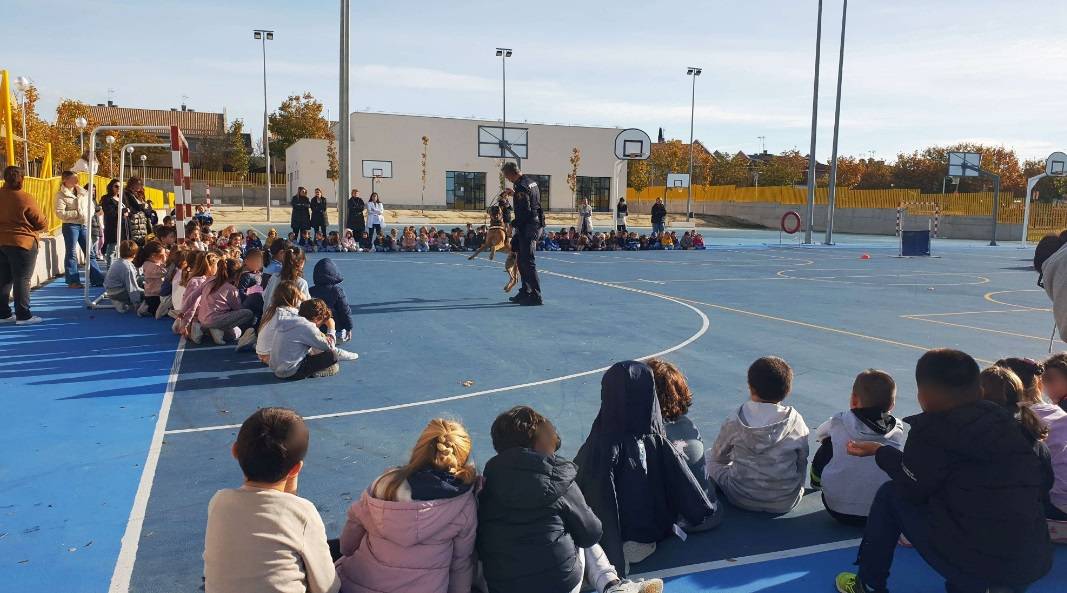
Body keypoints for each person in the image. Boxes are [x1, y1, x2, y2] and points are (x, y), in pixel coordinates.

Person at [835, 349, 1052, 593]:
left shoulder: (932, 431)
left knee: (890, 494)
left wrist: (880, 452)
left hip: (977, 559)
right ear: (978, 389)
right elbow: (1044, 485)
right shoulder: (1023, 427)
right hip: (1028, 559)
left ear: (923, 396)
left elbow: (913, 487)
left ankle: (869, 584)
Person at [477, 405, 664, 593]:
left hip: (504, 586)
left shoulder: (484, 486)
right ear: (537, 442)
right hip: (560, 583)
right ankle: (613, 586)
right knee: (578, 527)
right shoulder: (558, 478)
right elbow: (591, 532)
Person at [575, 361, 717, 571]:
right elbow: (682, 481)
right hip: (653, 533)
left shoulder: (603, 444)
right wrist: (699, 511)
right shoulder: (656, 439)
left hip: (624, 540)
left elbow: (596, 496)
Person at [203, 407, 340, 593]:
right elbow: (326, 588)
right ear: (296, 469)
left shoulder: (219, 501)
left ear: (234, 451)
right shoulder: (303, 513)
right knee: (336, 553)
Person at [335, 419, 479, 593]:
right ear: (461, 457)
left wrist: (345, 550)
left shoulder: (385, 485)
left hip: (358, 585)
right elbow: (460, 564)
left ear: (420, 448)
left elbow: (348, 545)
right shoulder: (463, 504)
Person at [707, 356, 810, 513]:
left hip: (740, 497)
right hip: (786, 500)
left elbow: (718, 457)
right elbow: (801, 460)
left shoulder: (735, 419)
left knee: (708, 457)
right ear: (787, 390)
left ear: (750, 387)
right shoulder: (796, 421)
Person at [810, 370, 905, 526]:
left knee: (828, 444)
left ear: (853, 400)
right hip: (880, 511)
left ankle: (816, 481)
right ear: (892, 405)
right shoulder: (898, 428)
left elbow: (820, 434)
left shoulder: (839, 420)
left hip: (836, 508)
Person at [0, 166, 47, 325]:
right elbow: (40, 222)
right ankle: (23, 315)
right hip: (22, 242)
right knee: (22, 279)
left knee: (4, 279)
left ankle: (3, 314)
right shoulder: (25, 197)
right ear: (22, 179)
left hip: (1, 241)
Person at [269, 298, 357, 380]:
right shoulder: (307, 327)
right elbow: (329, 347)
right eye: (321, 321)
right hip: (291, 372)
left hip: (276, 369)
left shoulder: (291, 320)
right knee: (332, 357)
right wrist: (331, 327)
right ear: (316, 318)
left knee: (314, 346)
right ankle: (316, 373)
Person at [502, 162, 544, 306]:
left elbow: (525, 211)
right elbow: (530, 201)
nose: (507, 179)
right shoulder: (530, 182)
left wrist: (512, 224)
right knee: (521, 260)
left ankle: (536, 295)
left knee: (528, 262)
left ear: (510, 173)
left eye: (506, 176)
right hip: (531, 223)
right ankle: (525, 290)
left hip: (528, 226)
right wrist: (514, 194)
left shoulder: (521, 186)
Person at [54, 171, 104, 288]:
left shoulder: (83, 192)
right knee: (71, 252)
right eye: (73, 179)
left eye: (76, 178)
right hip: (70, 225)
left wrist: (88, 215)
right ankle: (73, 280)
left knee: (90, 252)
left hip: (84, 224)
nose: (76, 181)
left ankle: (96, 278)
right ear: (65, 180)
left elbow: (91, 207)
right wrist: (78, 213)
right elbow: (60, 213)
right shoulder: (61, 195)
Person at [195, 258, 257, 345]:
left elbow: (194, 296)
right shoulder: (231, 289)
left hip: (202, 319)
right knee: (247, 314)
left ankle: (203, 329)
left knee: (235, 331)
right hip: (215, 320)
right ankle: (218, 329)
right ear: (236, 275)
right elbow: (237, 308)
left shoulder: (209, 281)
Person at [255, 281, 304, 365]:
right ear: (293, 298)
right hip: (273, 357)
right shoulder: (289, 313)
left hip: (262, 354)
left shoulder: (271, 310)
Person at [309, 258, 354, 344]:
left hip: (316, 332)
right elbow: (345, 310)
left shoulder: (310, 291)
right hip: (335, 331)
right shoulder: (337, 291)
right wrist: (349, 328)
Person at [103, 240, 143, 313]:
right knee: (148, 295)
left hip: (111, 290)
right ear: (135, 254)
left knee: (141, 280)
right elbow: (132, 287)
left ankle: (120, 300)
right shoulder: (128, 267)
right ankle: (121, 301)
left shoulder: (119, 261)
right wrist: (137, 303)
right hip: (118, 293)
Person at [135, 240, 167, 317]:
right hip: (154, 294)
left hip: (155, 292)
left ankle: (147, 303)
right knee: (158, 312)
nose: (164, 256)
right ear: (153, 255)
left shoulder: (154, 262)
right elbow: (163, 273)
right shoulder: (150, 266)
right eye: (162, 255)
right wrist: (165, 262)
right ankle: (145, 308)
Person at [123, 177, 150, 246]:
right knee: (134, 245)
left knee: (142, 244)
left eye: (141, 184)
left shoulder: (139, 194)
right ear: (131, 184)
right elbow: (132, 207)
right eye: (138, 184)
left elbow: (147, 209)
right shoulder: (126, 194)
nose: (139, 186)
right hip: (134, 223)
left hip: (142, 224)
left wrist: (144, 207)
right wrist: (143, 206)